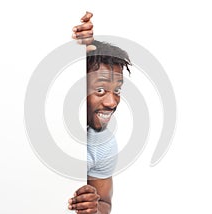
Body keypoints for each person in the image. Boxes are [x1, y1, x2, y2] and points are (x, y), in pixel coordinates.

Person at [68, 12, 131, 214]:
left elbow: (105, 203)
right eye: (100, 90)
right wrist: (75, 39)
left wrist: (93, 207)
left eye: (117, 90)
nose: (112, 102)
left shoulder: (103, 143)